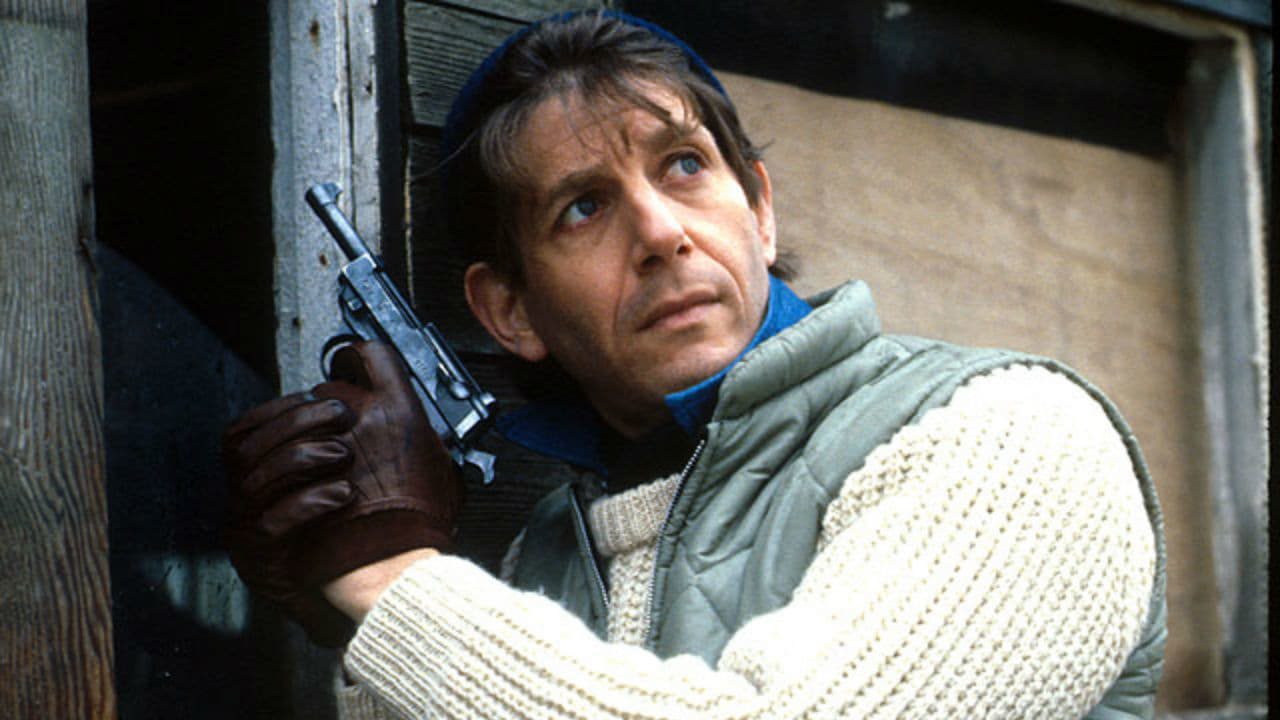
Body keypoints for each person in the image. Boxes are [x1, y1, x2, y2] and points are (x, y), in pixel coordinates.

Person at [223, 10, 1167, 719]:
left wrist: (391, 580)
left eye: (682, 165)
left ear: (759, 209)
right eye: (583, 208)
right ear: (511, 312)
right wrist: (350, 616)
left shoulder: (1006, 432)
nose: (661, 232)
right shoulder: (540, 557)